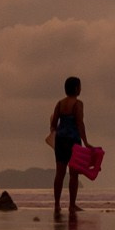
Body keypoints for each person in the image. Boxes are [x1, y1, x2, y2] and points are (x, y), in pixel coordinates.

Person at [48, 76, 89, 216]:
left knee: (59, 173)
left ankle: (57, 205)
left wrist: (55, 134)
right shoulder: (78, 104)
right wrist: (86, 142)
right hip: (73, 141)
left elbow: (53, 125)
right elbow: (80, 123)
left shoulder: (60, 104)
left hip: (60, 140)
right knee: (73, 174)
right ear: (76, 88)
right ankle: (72, 205)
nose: (81, 89)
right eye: (80, 86)